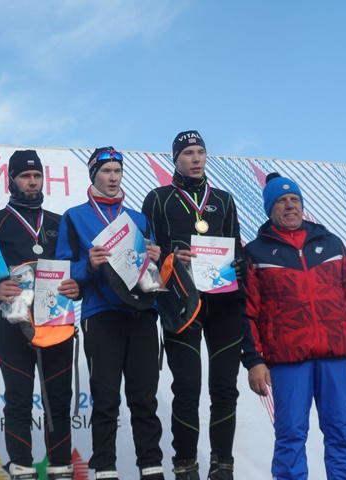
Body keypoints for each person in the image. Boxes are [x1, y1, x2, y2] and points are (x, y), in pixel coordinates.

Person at [241, 172, 346, 480]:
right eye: (281, 201)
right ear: (270, 208)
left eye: (294, 199)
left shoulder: (330, 243)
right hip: (287, 359)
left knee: (341, 433)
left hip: (334, 355)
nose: (290, 206)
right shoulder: (256, 252)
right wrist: (254, 360)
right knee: (290, 437)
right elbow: (247, 310)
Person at [55, 147, 164, 480]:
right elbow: (62, 271)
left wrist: (155, 255)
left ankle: (152, 468)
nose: (113, 177)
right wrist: (88, 264)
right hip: (101, 313)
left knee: (144, 399)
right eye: (106, 171)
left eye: (118, 170)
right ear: (94, 175)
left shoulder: (139, 218)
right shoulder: (74, 217)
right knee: (105, 400)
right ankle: (105, 469)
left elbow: (151, 267)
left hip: (142, 314)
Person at [142, 131, 245, 480]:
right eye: (188, 153)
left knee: (224, 387)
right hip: (179, 303)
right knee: (187, 386)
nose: (196, 158)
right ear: (176, 159)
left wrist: (237, 269)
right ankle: (185, 465)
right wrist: (172, 256)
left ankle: (223, 466)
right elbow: (145, 256)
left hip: (224, 304)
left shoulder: (225, 200)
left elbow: (238, 253)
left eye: (201, 152)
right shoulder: (157, 199)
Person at [0, 150, 80, 480]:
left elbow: (74, 269)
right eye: (25, 176)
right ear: (12, 180)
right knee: (19, 401)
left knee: (58, 400)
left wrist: (76, 286)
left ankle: (61, 469)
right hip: (13, 326)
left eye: (37, 176)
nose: (32, 182)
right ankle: (22, 469)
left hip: (55, 323)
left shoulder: (58, 222)